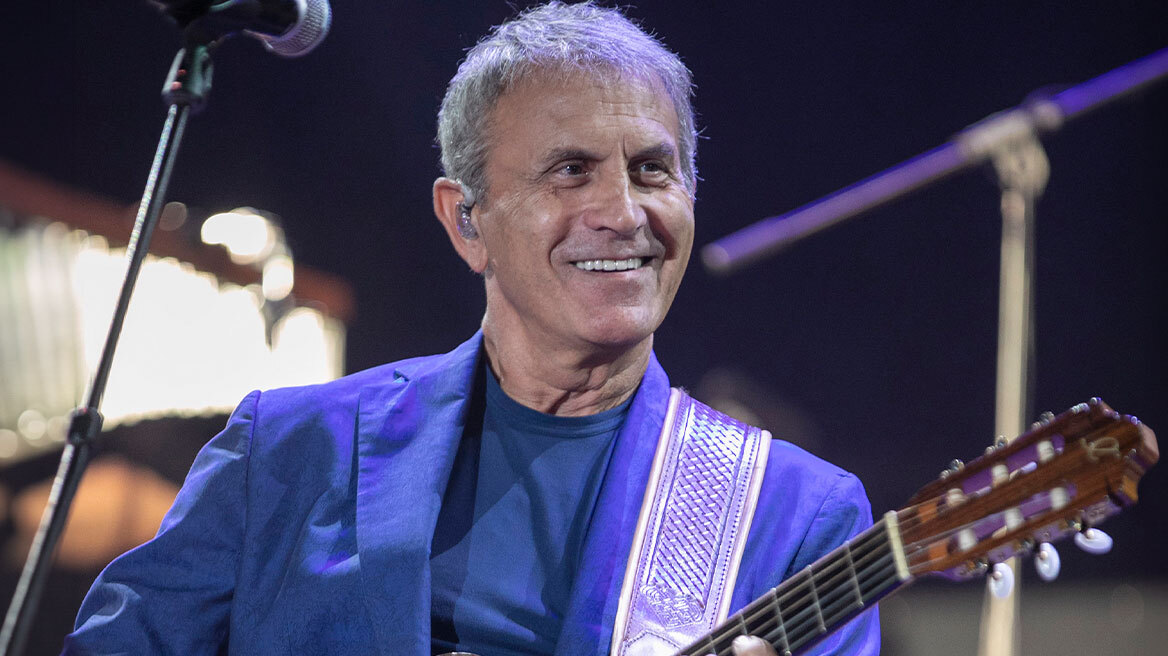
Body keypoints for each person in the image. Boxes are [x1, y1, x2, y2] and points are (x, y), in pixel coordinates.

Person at [65, 3, 878, 654]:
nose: (624, 213)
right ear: (466, 222)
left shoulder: (798, 518)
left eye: (651, 170)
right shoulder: (285, 452)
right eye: (571, 171)